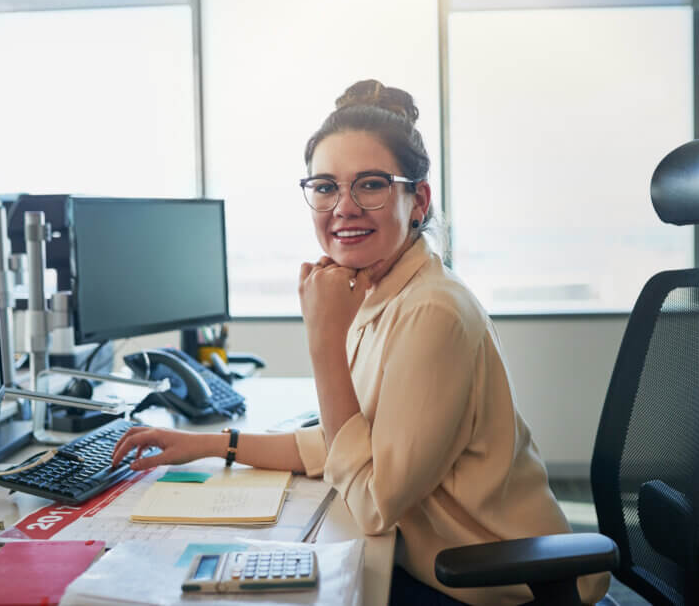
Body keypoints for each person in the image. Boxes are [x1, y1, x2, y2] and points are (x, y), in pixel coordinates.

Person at [111, 80, 609, 605]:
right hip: (432, 562)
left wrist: (324, 339)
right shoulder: (383, 292)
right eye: (325, 187)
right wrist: (211, 445)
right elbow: (342, 443)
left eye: (369, 185)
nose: (342, 207)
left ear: (417, 200)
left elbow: (373, 501)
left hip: (491, 582)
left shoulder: (432, 312)